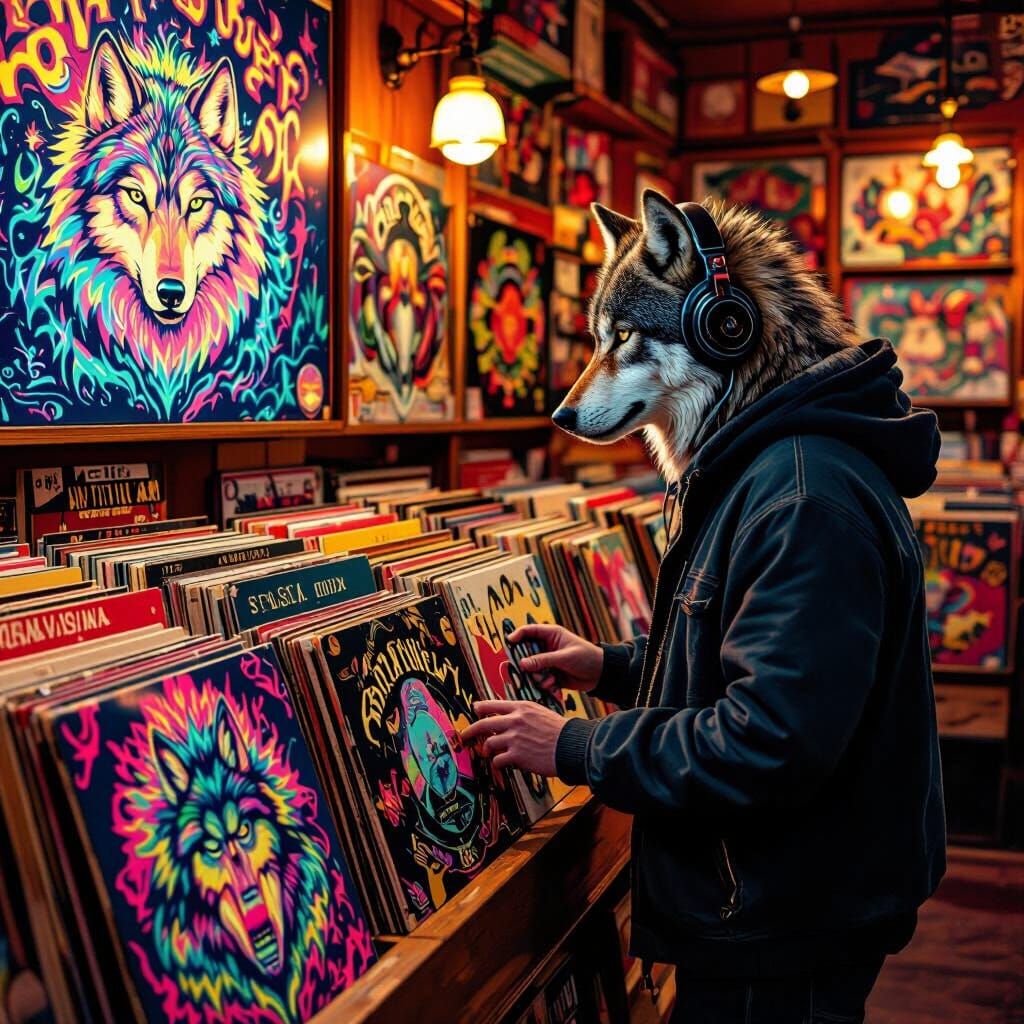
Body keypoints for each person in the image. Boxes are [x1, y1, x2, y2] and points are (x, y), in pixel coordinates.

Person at [462, 195, 946, 1024]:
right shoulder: (777, 466)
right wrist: (614, 667)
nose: (586, 391)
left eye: (626, 348)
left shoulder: (802, 495)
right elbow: (751, 655)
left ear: (724, 329)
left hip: (784, 918)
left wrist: (576, 744)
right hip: (780, 903)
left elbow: (769, 741)